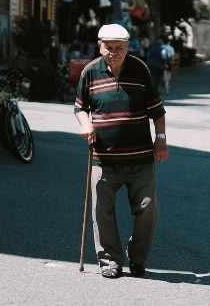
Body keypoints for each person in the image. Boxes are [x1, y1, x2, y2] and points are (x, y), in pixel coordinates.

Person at [74, 23, 168, 278]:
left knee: (148, 208)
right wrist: (85, 123)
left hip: (140, 157)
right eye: (108, 47)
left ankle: (137, 258)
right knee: (100, 209)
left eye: (119, 47)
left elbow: (157, 111)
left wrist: (161, 139)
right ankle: (110, 261)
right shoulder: (90, 72)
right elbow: (80, 107)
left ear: (128, 47)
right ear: (100, 46)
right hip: (103, 158)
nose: (114, 52)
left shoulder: (140, 70)